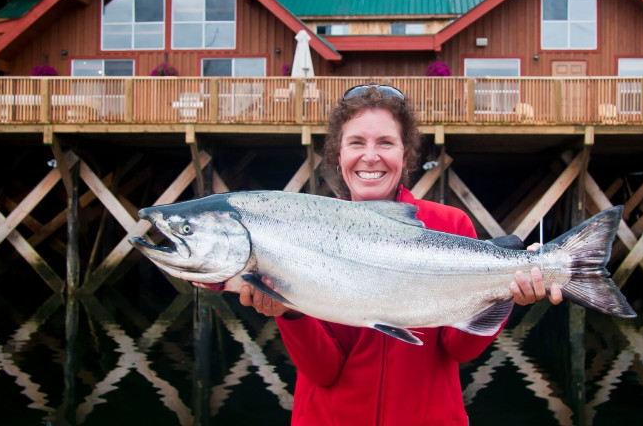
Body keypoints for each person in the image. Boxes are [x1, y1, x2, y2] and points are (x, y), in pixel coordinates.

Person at [222, 84, 562, 425]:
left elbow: (459, 350)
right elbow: (324, 372)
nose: (370, 156)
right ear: (338, 156)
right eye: (356, 143)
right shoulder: (305, 233)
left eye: (386, 142)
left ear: (405, 155)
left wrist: (505, 292)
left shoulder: (448, 224)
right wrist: (289, 313)